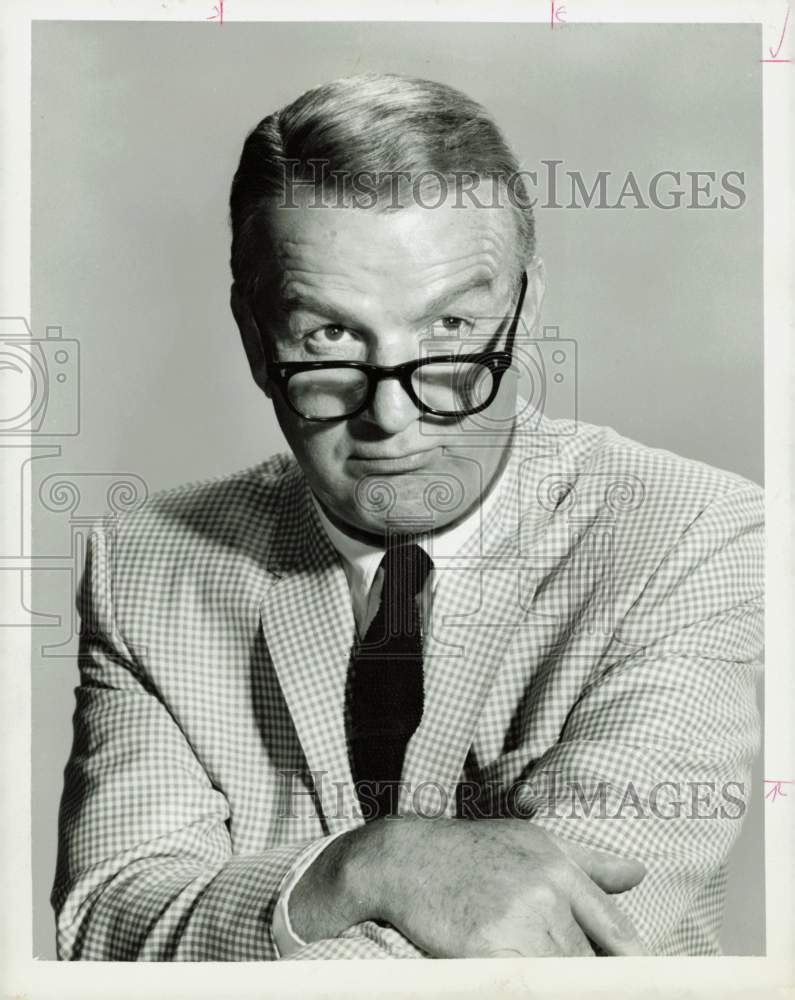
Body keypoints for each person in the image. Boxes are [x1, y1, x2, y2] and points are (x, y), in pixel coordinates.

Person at [52, 73, 764, 960]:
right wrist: (366, 866)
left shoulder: (700, 536)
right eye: (328, 337)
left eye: (449, 329)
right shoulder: (145, 565)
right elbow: (110, 926)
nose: (390, 416)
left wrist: (279, 911)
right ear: (250, 334)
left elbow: (544, 945)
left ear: (523, 309)